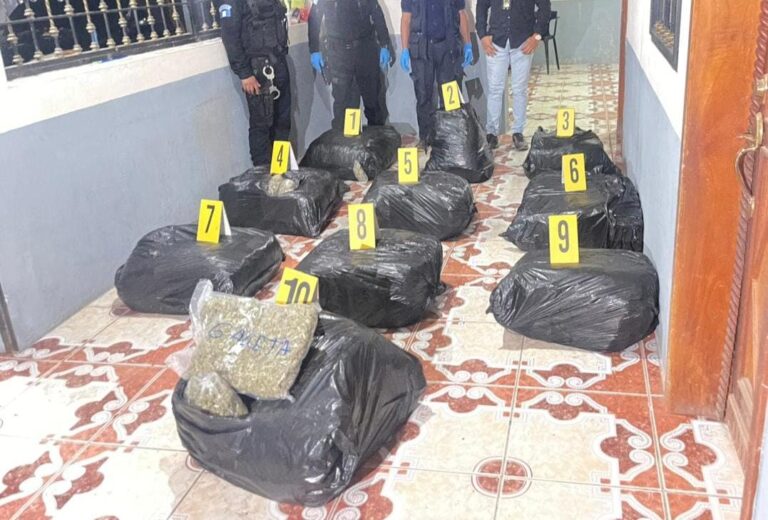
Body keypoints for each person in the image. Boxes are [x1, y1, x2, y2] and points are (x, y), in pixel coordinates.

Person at [219, 0, 292, 166]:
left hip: (279, 63)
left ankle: (279, 170)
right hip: (257, 72)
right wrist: (244, 73)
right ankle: (263, 175)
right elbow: (230, 37)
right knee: (262, 126)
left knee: (282, 123)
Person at [476, 0, 551, 151]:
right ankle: (491, 134)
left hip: (523, 42)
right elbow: (481, 6)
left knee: (519, 90)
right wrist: (482, 35)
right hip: (496, 42)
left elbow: (545, 6)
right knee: (495, 89)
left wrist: (537, 36)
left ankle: (518, 133)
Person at [308, 0, 392, 131]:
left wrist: (384, 44)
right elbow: (314, 16)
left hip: (365, 50)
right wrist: (314, 49)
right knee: (344, 106)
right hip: (339, 54)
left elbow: (377, 13)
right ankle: (345, 143)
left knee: (373, 104)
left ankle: (378, 141)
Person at [400, 0, 473, 146]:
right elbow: (406, 18)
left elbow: (461, 14)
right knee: (423, 95)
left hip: (447, 47)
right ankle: (426, 137)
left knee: (450, 96)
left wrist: (468, 44)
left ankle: (450, 137)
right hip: (422, 48)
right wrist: (404, 49)